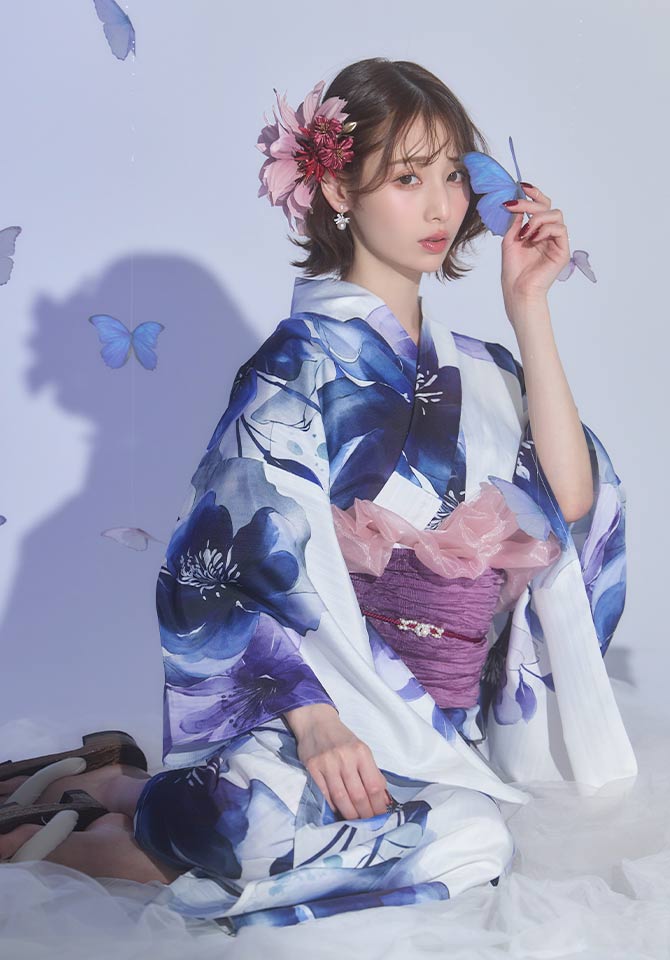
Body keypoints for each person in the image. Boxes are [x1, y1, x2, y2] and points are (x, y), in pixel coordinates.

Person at [0, 57, 637, 934]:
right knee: (280, 823)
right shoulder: (297, 363)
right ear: (338, 187)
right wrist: (312, 718)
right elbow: (218, 562)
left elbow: (569, 508)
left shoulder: (486, 371)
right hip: (318, 712)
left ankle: (119, 794)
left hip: (434, 729)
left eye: (453, 176)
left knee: (474, 842)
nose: (441, 207)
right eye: (407, 178)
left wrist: (531, 307)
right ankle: (68, 837)